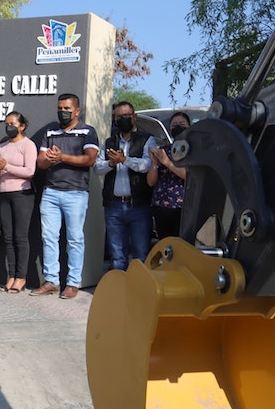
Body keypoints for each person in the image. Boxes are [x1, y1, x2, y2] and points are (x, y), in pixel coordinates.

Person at [31, 93, 99, 300]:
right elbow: (40, 163)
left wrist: (62, 157)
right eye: (60, 109)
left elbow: (90, 159)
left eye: (67, 109)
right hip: (51, 192)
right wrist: (50, 160)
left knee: (75, 239)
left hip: (76, 193)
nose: (63, 112)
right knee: (49, 238)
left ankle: (72, 283)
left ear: (77, 111)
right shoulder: (50, 131)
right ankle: (51, 280)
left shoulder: (88, 131)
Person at [95, 101, 156, 271]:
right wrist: (112, 163)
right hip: (113, 205)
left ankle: (139, 292)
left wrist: (125, 160)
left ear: (134, 117)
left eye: (126, 116)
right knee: (117, 255)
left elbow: (147, 165)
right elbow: (97, 168)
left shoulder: (147, 139)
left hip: (138, 205)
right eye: (119, 117)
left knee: (141, 254)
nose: (123, 119)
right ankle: (118, 291)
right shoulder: (109, 142)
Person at [0, 111, 37, 294]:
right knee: (8, 238)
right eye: (6, 123)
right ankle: (11, 275)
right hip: (4, 193)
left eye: (12, 123)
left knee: (20, 237)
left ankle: (21, 277)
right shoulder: (1, 147)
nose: (9, 126)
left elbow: (30, 171)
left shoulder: (28, 145)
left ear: (22, 126)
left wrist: (6, 166)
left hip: (22, 194)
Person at [148, 111, 190, 239]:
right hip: (161, 206)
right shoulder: (164, 150)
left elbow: (188, 176)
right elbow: (151, 182)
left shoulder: (193, 150)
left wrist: (167, 162)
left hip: (183, 207)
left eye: (182, 124)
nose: (178, 127)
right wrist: (155, 163)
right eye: (174, 125)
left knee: (182, 246)